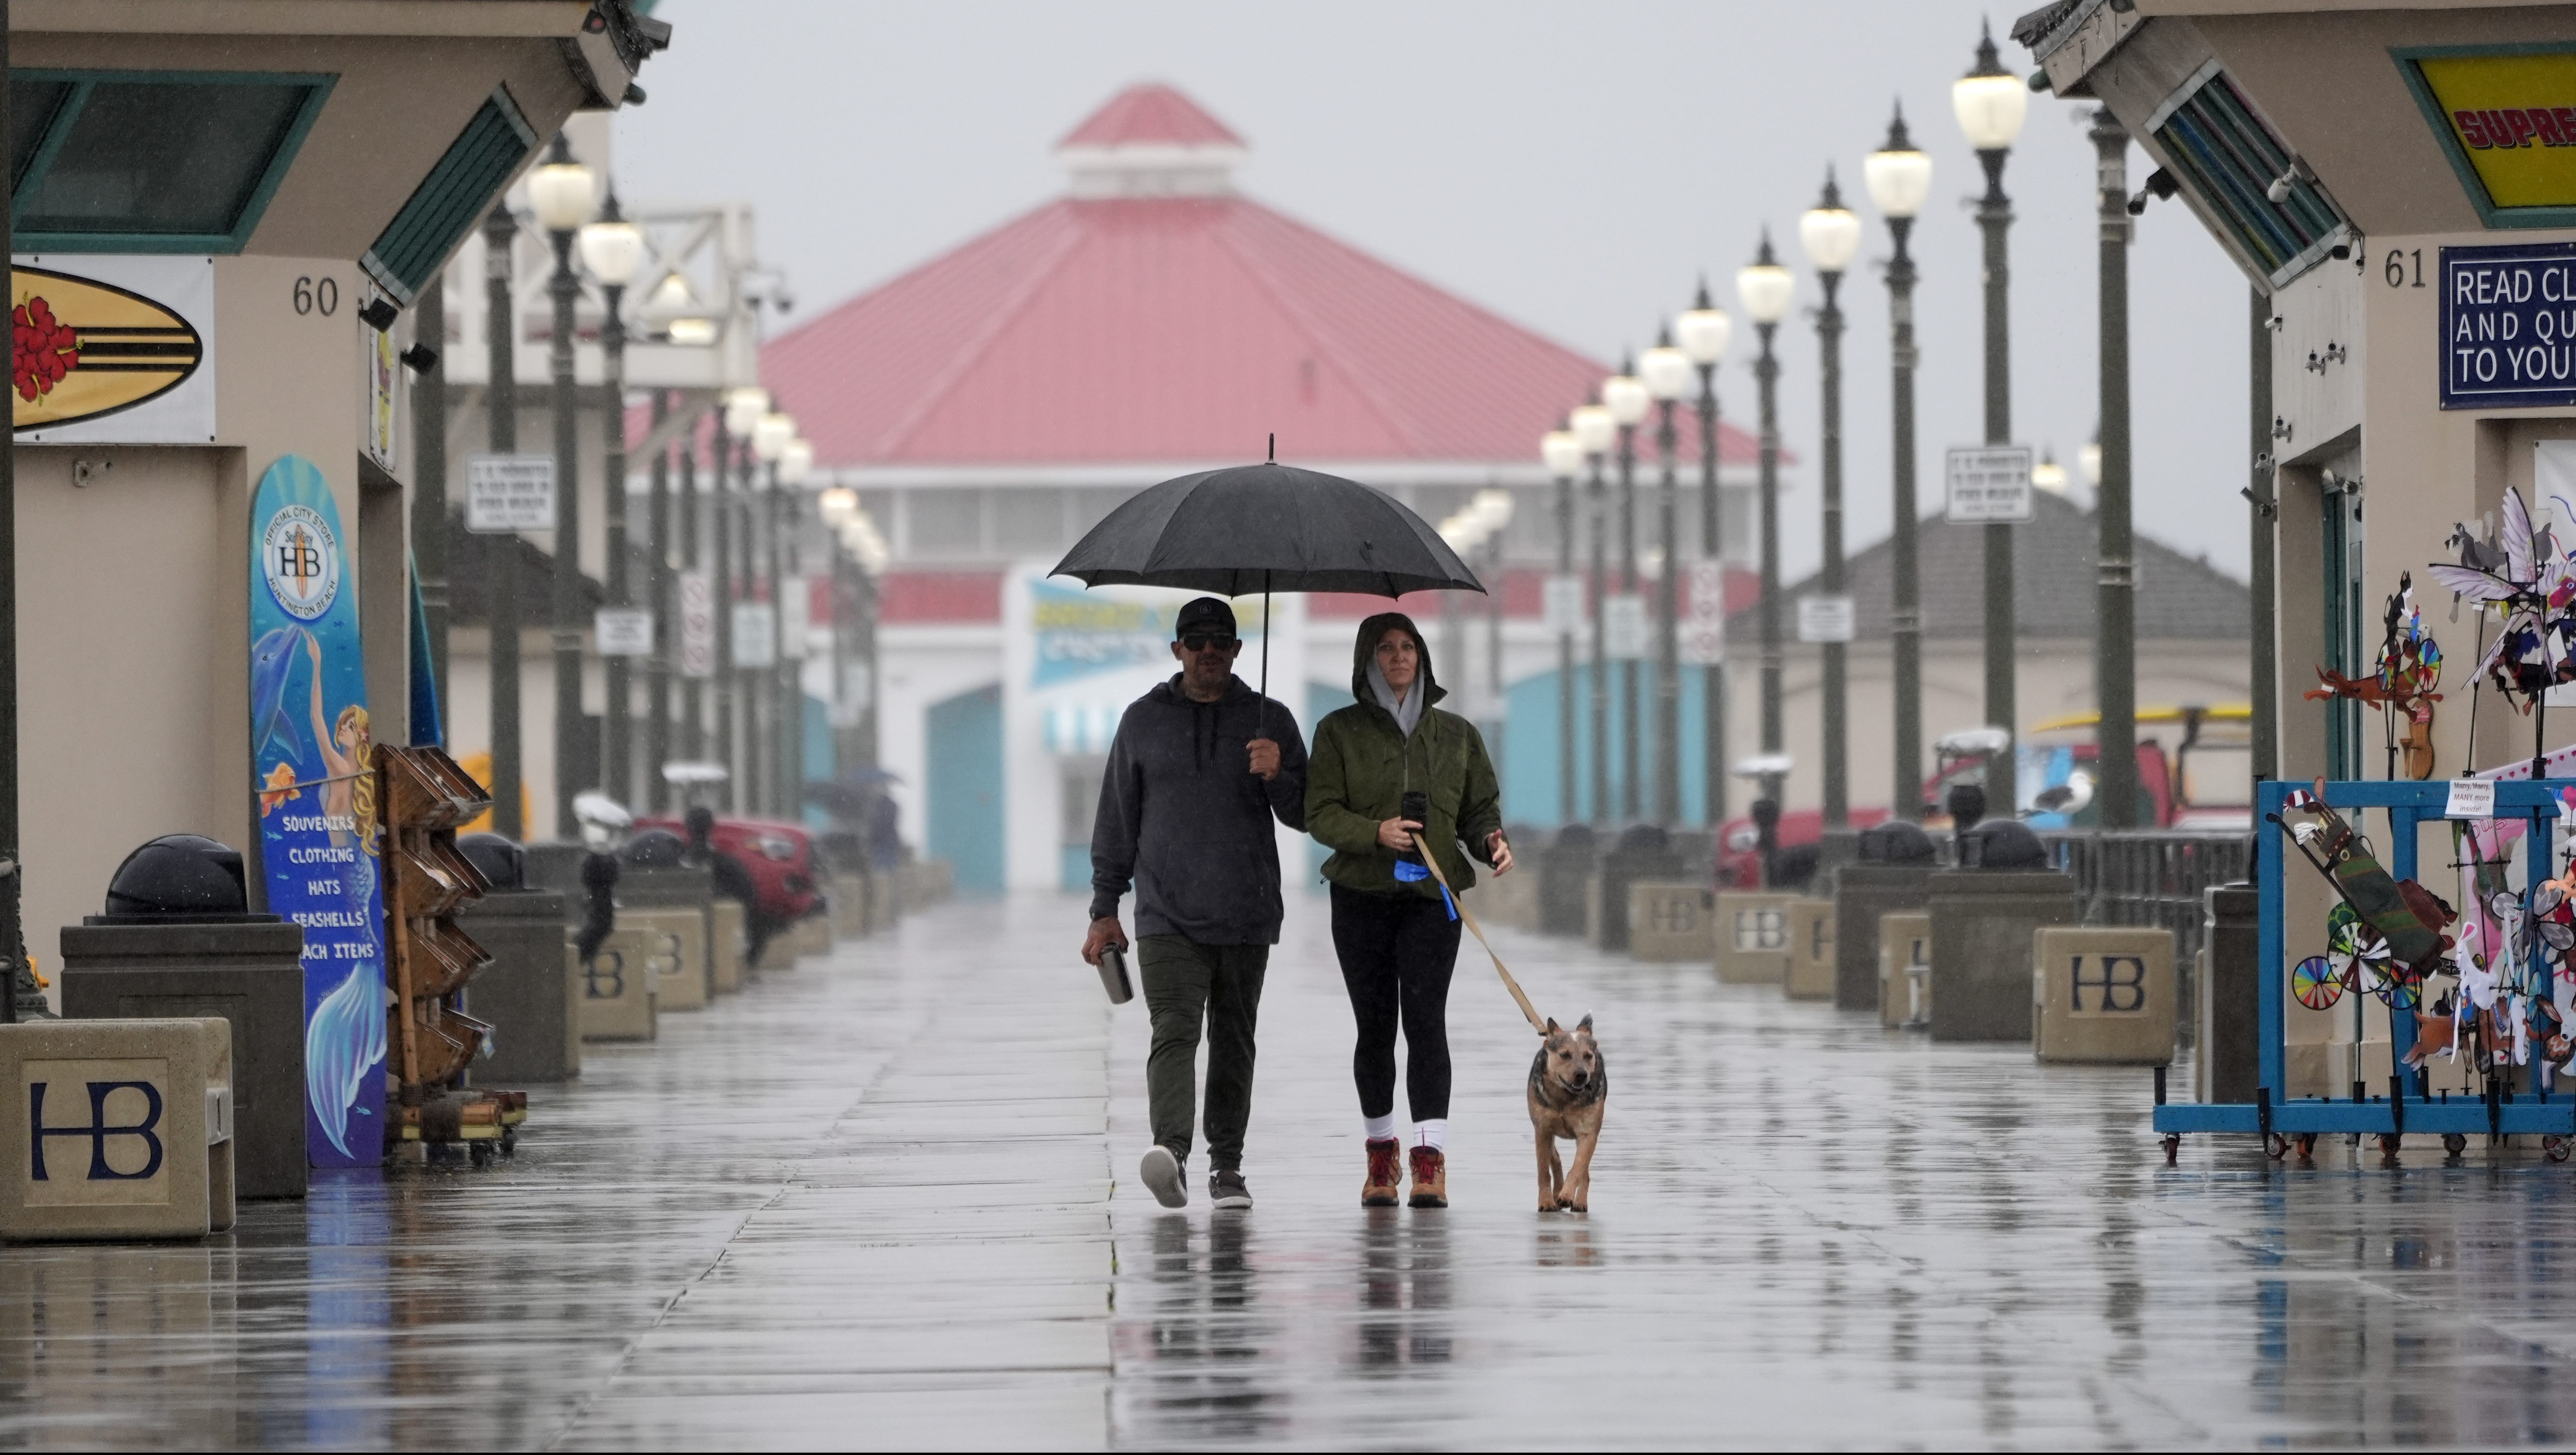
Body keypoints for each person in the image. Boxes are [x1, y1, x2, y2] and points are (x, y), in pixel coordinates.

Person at [1084, 598, 1307, 1212]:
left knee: (1234, 1039)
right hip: (1165, 914)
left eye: (1221, 640)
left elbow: (1307, 811)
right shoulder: (1142, 721)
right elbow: (1116, 821)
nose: (1208, 649)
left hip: (1246, 909)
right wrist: (1105, 909)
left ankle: (1227, 1166)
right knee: (1174, 1031)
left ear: (1237, 650)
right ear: (1177, 648)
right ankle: (1172, 1154)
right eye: (1196, 639)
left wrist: (1278, 774)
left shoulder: (1271, 720)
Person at [1306, 613, 1510, 1209]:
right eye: (1385, 648)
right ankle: (1379, 1157)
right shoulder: (1337, 732)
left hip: (1432, 901)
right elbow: (1320, 813)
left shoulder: (1457, 735)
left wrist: (1492, 840)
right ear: (1366, 661)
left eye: (1408, 647)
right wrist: (1376, 831)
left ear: (1422, 657)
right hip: (1360, 900)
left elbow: (1478, 809)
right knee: (1374, 1030)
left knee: (1426, 1024)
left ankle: (1428, 1161)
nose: (1398, 658)